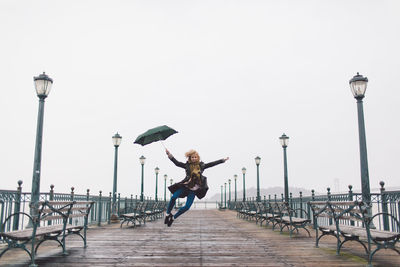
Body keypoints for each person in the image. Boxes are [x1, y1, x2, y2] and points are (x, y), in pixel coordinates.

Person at [164, 149, 229, 227]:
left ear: (198, 157)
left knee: (187, 207)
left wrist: (222, 160)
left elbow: (212, 164)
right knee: (173, 197)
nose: (194, 158)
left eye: (195, 157)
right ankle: (168, 214)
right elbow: (177, 163)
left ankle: (173, 218)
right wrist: (169, 155)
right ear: (190, 158)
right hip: (185, 187)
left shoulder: (201, 166)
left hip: (193, 191)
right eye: (192, 157)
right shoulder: (187, 165)